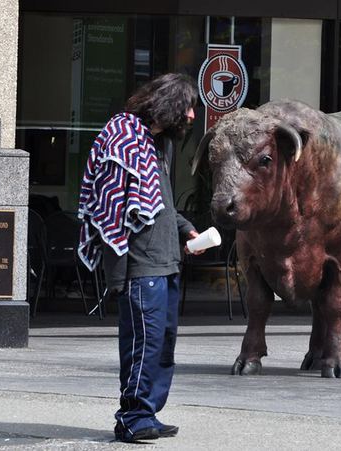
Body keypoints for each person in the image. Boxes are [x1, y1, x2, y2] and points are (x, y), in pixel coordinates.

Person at [78, 73, 202, 443]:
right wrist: (117, 277)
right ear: (168, 105)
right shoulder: (123, 139)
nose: (192, 116)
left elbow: (157, 202)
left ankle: (146, 411)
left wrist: (185, 230)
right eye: (187, 107)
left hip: (166, 263)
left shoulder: (154, 144)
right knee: (142, 345)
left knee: (162, 345)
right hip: (141, 268)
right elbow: (109, 210)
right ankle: (131, 416)